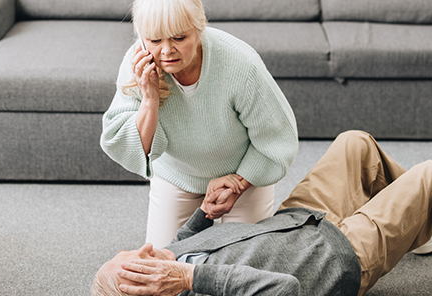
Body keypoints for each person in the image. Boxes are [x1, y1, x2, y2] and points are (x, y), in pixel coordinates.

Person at [91, 130, 432, 296]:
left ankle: (421, 229)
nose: (149, 250)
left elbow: (184, 242)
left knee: (356, 144)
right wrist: (190, 275)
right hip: (341, 256)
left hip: (297, 218)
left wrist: (205, 212)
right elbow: (284, 294)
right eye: (144, 263)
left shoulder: (170, 266)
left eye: (134, 252)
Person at [100, 0, 298, 248]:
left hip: (241, 174)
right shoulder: (136, 64)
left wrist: (239, 184)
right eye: (155, 40)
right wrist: (149, 99)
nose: (167, 51)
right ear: (142, 37)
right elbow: (128, 145)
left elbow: (277, 138)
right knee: (162, 269)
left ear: (199, 28)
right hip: (177, 174)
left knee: (245, 266)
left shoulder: (240, 63)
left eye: (179, 38)